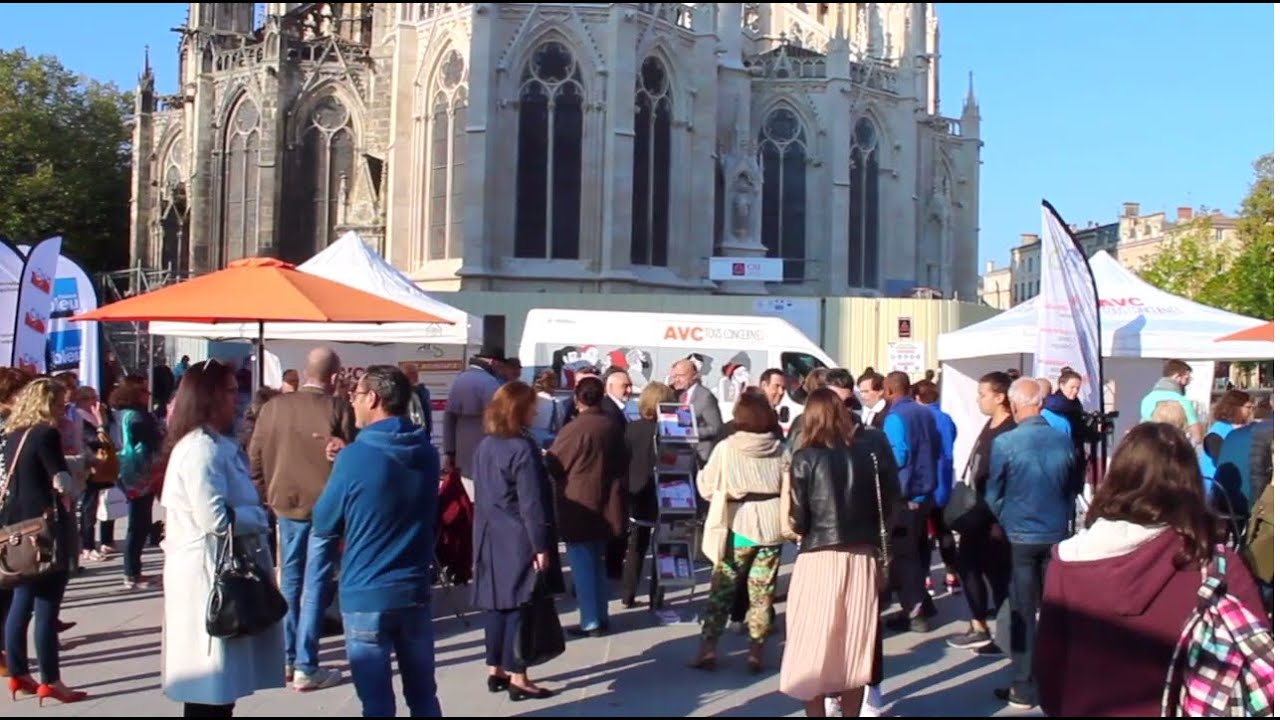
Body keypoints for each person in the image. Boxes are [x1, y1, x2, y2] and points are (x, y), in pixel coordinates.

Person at [1035, 422, 1268, 716]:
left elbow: (1049, 665)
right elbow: (1258, 658)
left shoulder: (1069, 562)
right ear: (1191, 484)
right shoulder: (1217, 565)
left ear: (1117, 478)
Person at [312, 366, 442, 717]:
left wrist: (343, 466)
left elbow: (324, 520)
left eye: (355, 395)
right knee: (424, 694)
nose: (352, 403)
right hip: (413, 587)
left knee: (377, 703)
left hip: (366, 590)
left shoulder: (356, 456)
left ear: (373, 398)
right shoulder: (426, 453)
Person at [161, 361, 283, 717]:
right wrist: (258, 515)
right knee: (210, 686)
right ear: (208, 396)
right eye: (230, 391)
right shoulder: (201, 449)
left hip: (215, 569)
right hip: (208, 575)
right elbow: (214, 517)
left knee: (220, 688)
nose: (238, 400)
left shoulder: (214, 444)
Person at [779, 388, 900, 717]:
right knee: (853, 648)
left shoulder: (806, 457)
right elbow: (886, 504)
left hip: (820, 555)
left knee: (811, 646)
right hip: (861, 556)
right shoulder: (866, 455)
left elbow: (801, 520)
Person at [470, 382, 560, 701]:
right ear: (519, 410)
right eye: (531, 406)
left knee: (495, 604)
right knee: (521, 605)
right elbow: (531, 502)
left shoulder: (485, 446)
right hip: (517, 534)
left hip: (488, 533)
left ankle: (495, 667)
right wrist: (540, 545)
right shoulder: (523, 448)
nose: (536, 411)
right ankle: (518, 674)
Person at [689, 392, 790, 674]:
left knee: (722, 589)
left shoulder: (727, 448)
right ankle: (756, 651)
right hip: (771, 527)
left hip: (737, 525)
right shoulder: (780, 448)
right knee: (762, 594)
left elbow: (707, 487)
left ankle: (708, 648)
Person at [1, 378, 86, 706]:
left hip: (15, 525)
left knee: (21, 597)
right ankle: (51, 679)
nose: (64, 408)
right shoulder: (46, 434)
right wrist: (80, 472)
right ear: (47, 403)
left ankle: (19, 671)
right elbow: (60, 479)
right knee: (47, 606)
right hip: (46, 525)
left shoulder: (12, 435)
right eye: (60, 402)